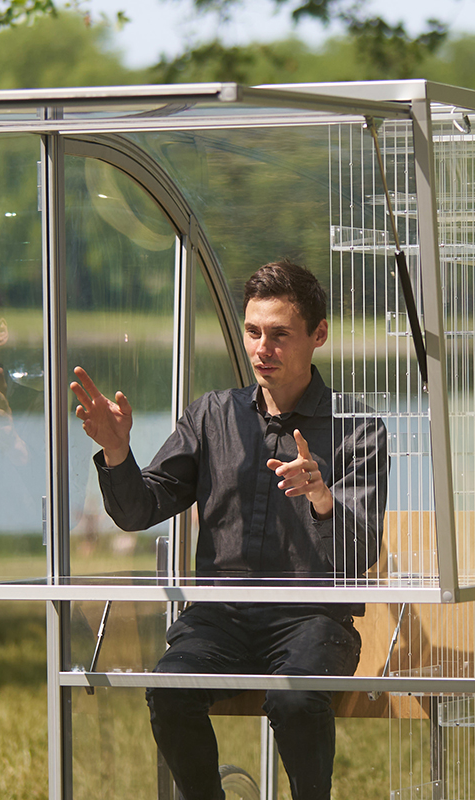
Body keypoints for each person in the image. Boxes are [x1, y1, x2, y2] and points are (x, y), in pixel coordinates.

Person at [70, 260, 388, 800]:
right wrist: (118, 453)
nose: (262, 347)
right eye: (253, 331)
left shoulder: (359, 430)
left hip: (313, 622)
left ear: (319, 335)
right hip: (221, 620)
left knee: (295, 697)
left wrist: (322, 498)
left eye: (280, 335)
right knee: (169, 691)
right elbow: (138, 510)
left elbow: (359, 558)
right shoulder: (209, 416)